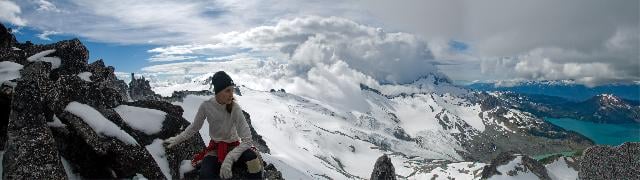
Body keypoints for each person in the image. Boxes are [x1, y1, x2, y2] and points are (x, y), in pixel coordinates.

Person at [164, 71, 263, 179]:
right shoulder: (206, 106)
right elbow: (194, 127)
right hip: (215, 149)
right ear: (218, 92)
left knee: (253, 160)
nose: (231, 94)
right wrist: (177, 139)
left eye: (232, 90)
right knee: (206, 175)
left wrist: (229, 158)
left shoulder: (235, 108)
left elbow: (247, 139)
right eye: (227, 91)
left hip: (234, 147)